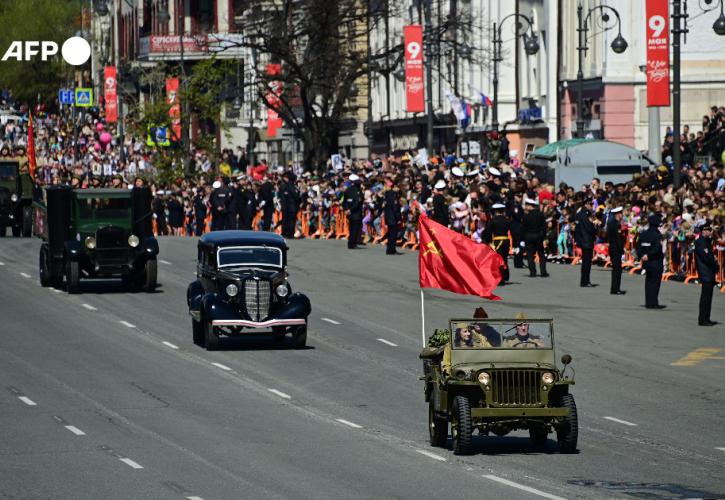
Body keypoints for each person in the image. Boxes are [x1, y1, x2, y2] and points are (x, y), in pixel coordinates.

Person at [637, 214, 666, 309]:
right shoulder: (657, 235)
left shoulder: (644, 234)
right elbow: (657, 248)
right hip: (655, 261)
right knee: (655, 283)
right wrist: (648, 255)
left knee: (648, 282)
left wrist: (642, 255)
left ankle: (648, 302)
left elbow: (638, 246)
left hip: (646, 262)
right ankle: (653, 302)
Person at [694, 222, 719, 326]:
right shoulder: (701, 242)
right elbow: (706, 258)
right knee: (705, 298)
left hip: (708, 272)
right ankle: (703, 319)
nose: (710, 232)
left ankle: (706, 318)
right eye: (708, 230)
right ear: (703, 231)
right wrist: (714, 263)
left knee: (708, 298)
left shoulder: (707, 242)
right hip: (706, 272)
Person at [522, 197, 548, 278]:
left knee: (530, 255)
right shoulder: (540, 215)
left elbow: (523, 228)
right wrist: (543, 236)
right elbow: (544, 227)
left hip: (528, 236)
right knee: (541, 255)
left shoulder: (526, 216)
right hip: (538, 236)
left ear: (530, 206)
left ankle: (532, 272)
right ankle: (543, 272)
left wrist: (523, 238)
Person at [574, 199, 598, 287]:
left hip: (582, 240)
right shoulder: (586, 214)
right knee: (587, 263)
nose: (592, 206)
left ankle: (584, 281)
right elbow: (589, 228)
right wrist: (595, 227)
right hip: (587, 240)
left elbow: (576, 228)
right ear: (586, 204)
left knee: (585, 262)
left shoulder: (579, 214)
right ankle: (585, 281)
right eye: (591, 204)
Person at [485, 203, 510, 285]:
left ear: (495, 211)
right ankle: (505, 276)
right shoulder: (507, 220)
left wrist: (487, 241)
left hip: (497, 241)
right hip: (506, 241)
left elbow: (488, 232)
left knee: (498, 260)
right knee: (505, 258)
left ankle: (500, 278)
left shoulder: (493, 221)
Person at [607, 206, 626, 295]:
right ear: (618, 214)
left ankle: (615, 288)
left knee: (616, 269)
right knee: (617, 270)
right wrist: (622, 249)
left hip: (612, 248)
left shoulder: (611, 223)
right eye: (621, 213)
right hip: (616, 249)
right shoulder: (615, 224)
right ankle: (615, 288)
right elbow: (618, 238)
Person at [344, 173, 364, 249]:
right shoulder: (357, 191)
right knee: (355, 228)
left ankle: (351, 243)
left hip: (350, 212)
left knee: (351, 228)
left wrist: (346, 209)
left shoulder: (347, 190)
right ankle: (352, 243)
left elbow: (344, 202)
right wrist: (349, 209)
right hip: (355, 212)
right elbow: (357, 202)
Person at [279, 172, 300, 238]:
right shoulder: (292, 187)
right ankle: (289, 233)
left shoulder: (286, 186)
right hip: (292, 206)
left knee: (287, 220)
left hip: (287, 206)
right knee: (291, 220)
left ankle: (286, 233)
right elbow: (296, 197)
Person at [383, 180, 402, 255]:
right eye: (397, 187)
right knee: (393, 235)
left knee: (390, 234)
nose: (398, 189)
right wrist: (398, 218)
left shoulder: (387, 194)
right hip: (393, 218)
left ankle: (389, 249)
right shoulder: (393, 195)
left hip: (388, 217)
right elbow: (395, 208)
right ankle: (392, 250)